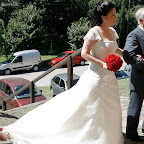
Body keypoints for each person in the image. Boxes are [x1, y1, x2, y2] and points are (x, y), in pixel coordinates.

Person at [0, 1, 123, 144]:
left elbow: (115, 49)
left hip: (110, 78)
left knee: (109, 108)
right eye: (112, 15)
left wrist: (128, 55)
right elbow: (84, 53)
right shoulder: (94, 32)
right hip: (96, 77)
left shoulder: (112, 32)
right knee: (91, 108)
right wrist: (103, 63)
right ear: (103, 16)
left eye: (115, 14)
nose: (115, 17)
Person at [123, 7, 144, 142]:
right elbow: (128, 55)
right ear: (141, 20)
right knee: (135, 109)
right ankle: (131, 134)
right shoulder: (134, 34)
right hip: (139, 79)